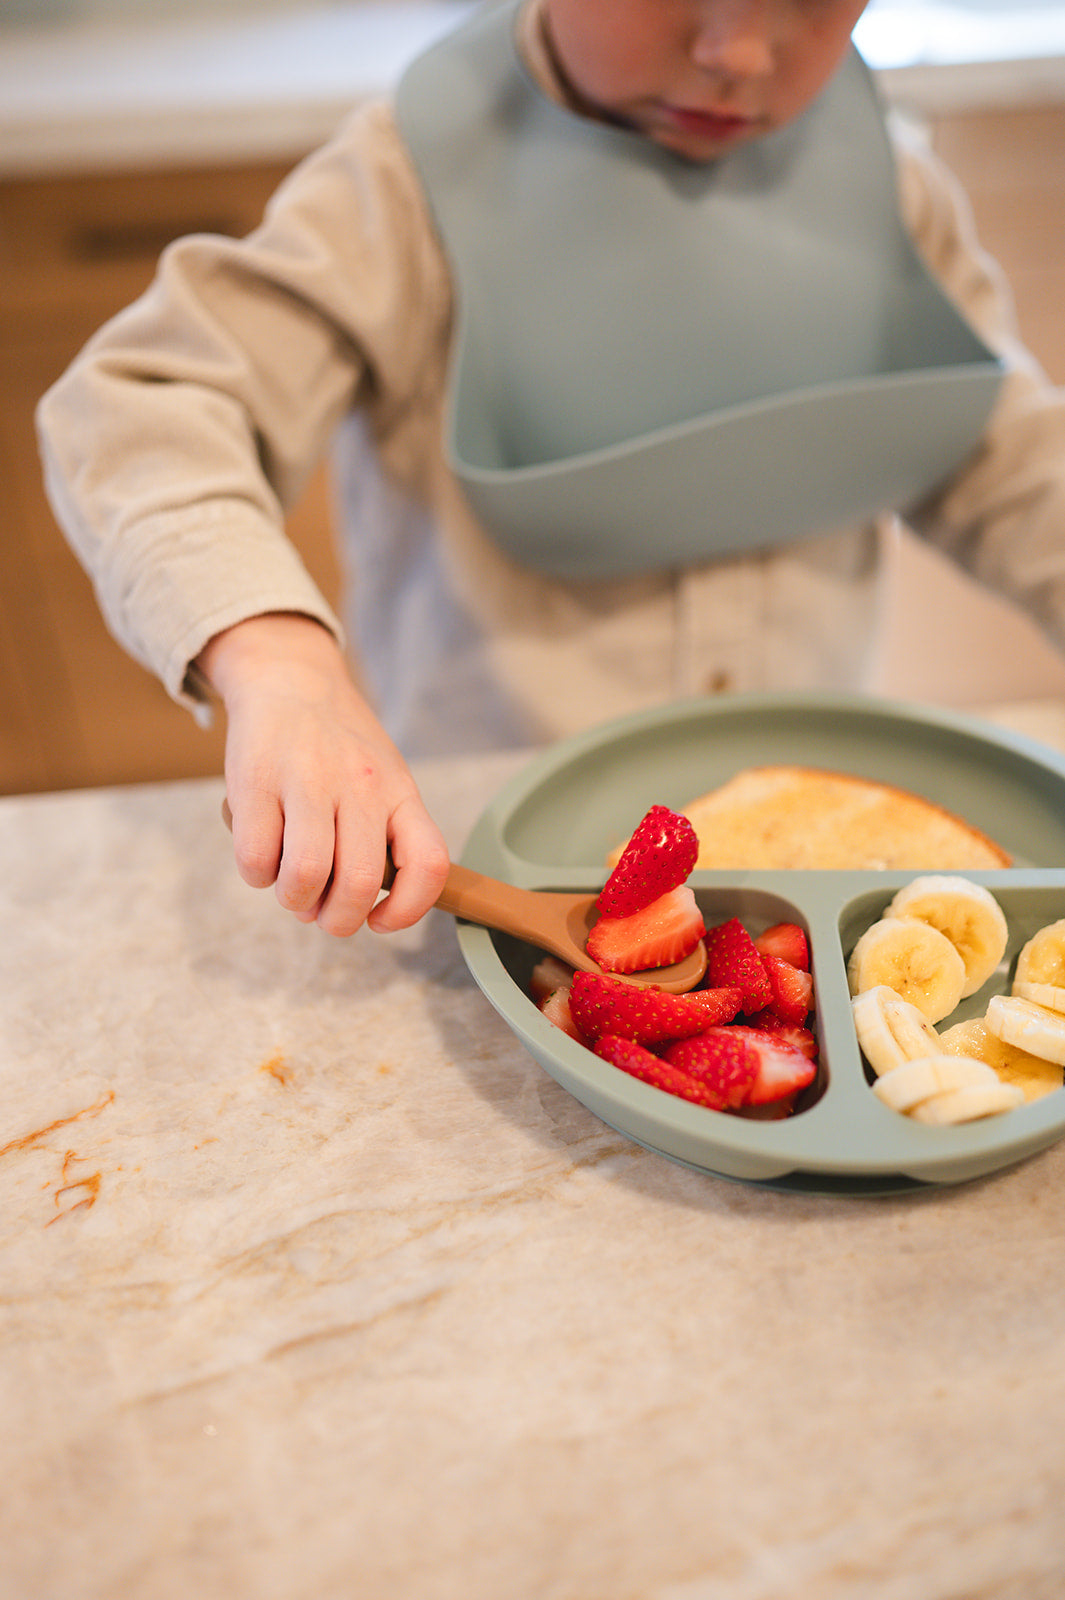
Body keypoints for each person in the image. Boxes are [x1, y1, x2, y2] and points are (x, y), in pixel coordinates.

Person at [37, 0, 1065, 942]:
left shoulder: (889, 181)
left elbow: (1003, 461)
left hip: (803, 855)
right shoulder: (402, 191)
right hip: (492, 859)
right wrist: (278, 665)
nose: (741, 52)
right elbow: (145, 406)